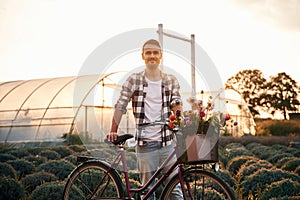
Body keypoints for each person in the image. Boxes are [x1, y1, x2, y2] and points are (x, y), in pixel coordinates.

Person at [106, 39, 183, 199]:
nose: (152, 56)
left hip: (167, 144)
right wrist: (113, 130)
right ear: (143, 56)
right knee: (148, 194)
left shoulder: (171, 80)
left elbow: (176, 101)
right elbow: (121, 105)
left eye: (155, 52)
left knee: (176, 191)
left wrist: (178, 114)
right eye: (148, 53)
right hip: (145, 145)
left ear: (160, 55)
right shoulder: (134, 80)